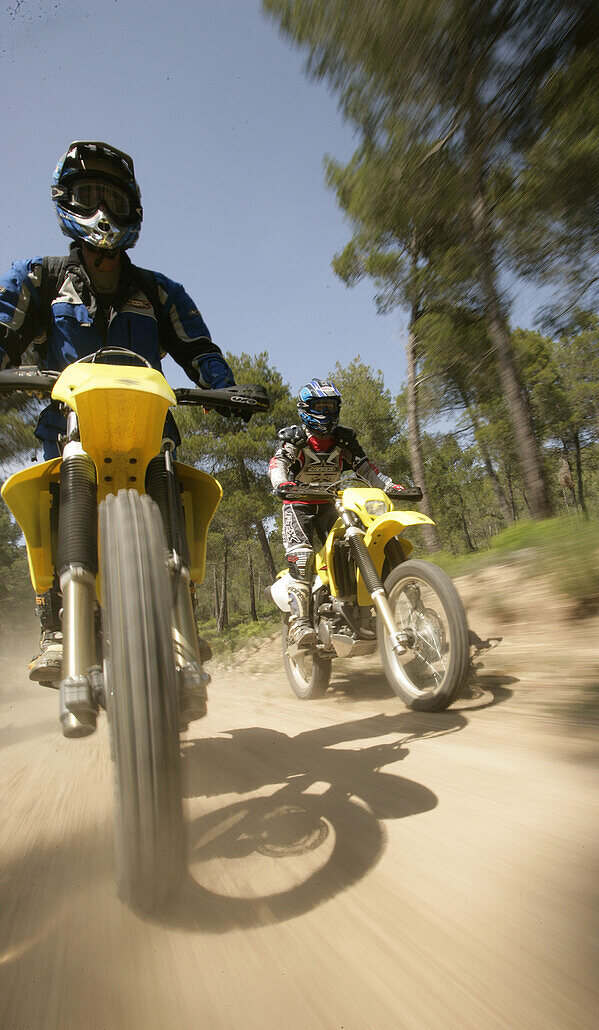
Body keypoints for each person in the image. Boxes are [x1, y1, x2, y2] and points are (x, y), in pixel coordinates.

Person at [0, 140, 236, 682]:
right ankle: (55, 622)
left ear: (133, 208)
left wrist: (223, 388)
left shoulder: (161, 291)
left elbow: (200, 351)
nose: (103, 210)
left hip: (149, 432)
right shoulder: (36, 277)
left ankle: (184, 616)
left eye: (114, 197)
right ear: (66, 200)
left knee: (173, 480)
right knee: (45, 492)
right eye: (89, 195)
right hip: (68, 428)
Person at [269, 378, 403, 648]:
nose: (326, 412)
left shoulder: (344, 439)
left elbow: (365, 468)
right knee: (303, 556)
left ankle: (356, 602)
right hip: (299, 503)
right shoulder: (296, 438)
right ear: (306, 408)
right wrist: (281, 483)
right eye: (320, 406)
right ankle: (300, 623)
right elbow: (278, 463)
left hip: (333, 502)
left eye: (330, 406)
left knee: (362, 541)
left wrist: (388, 485)